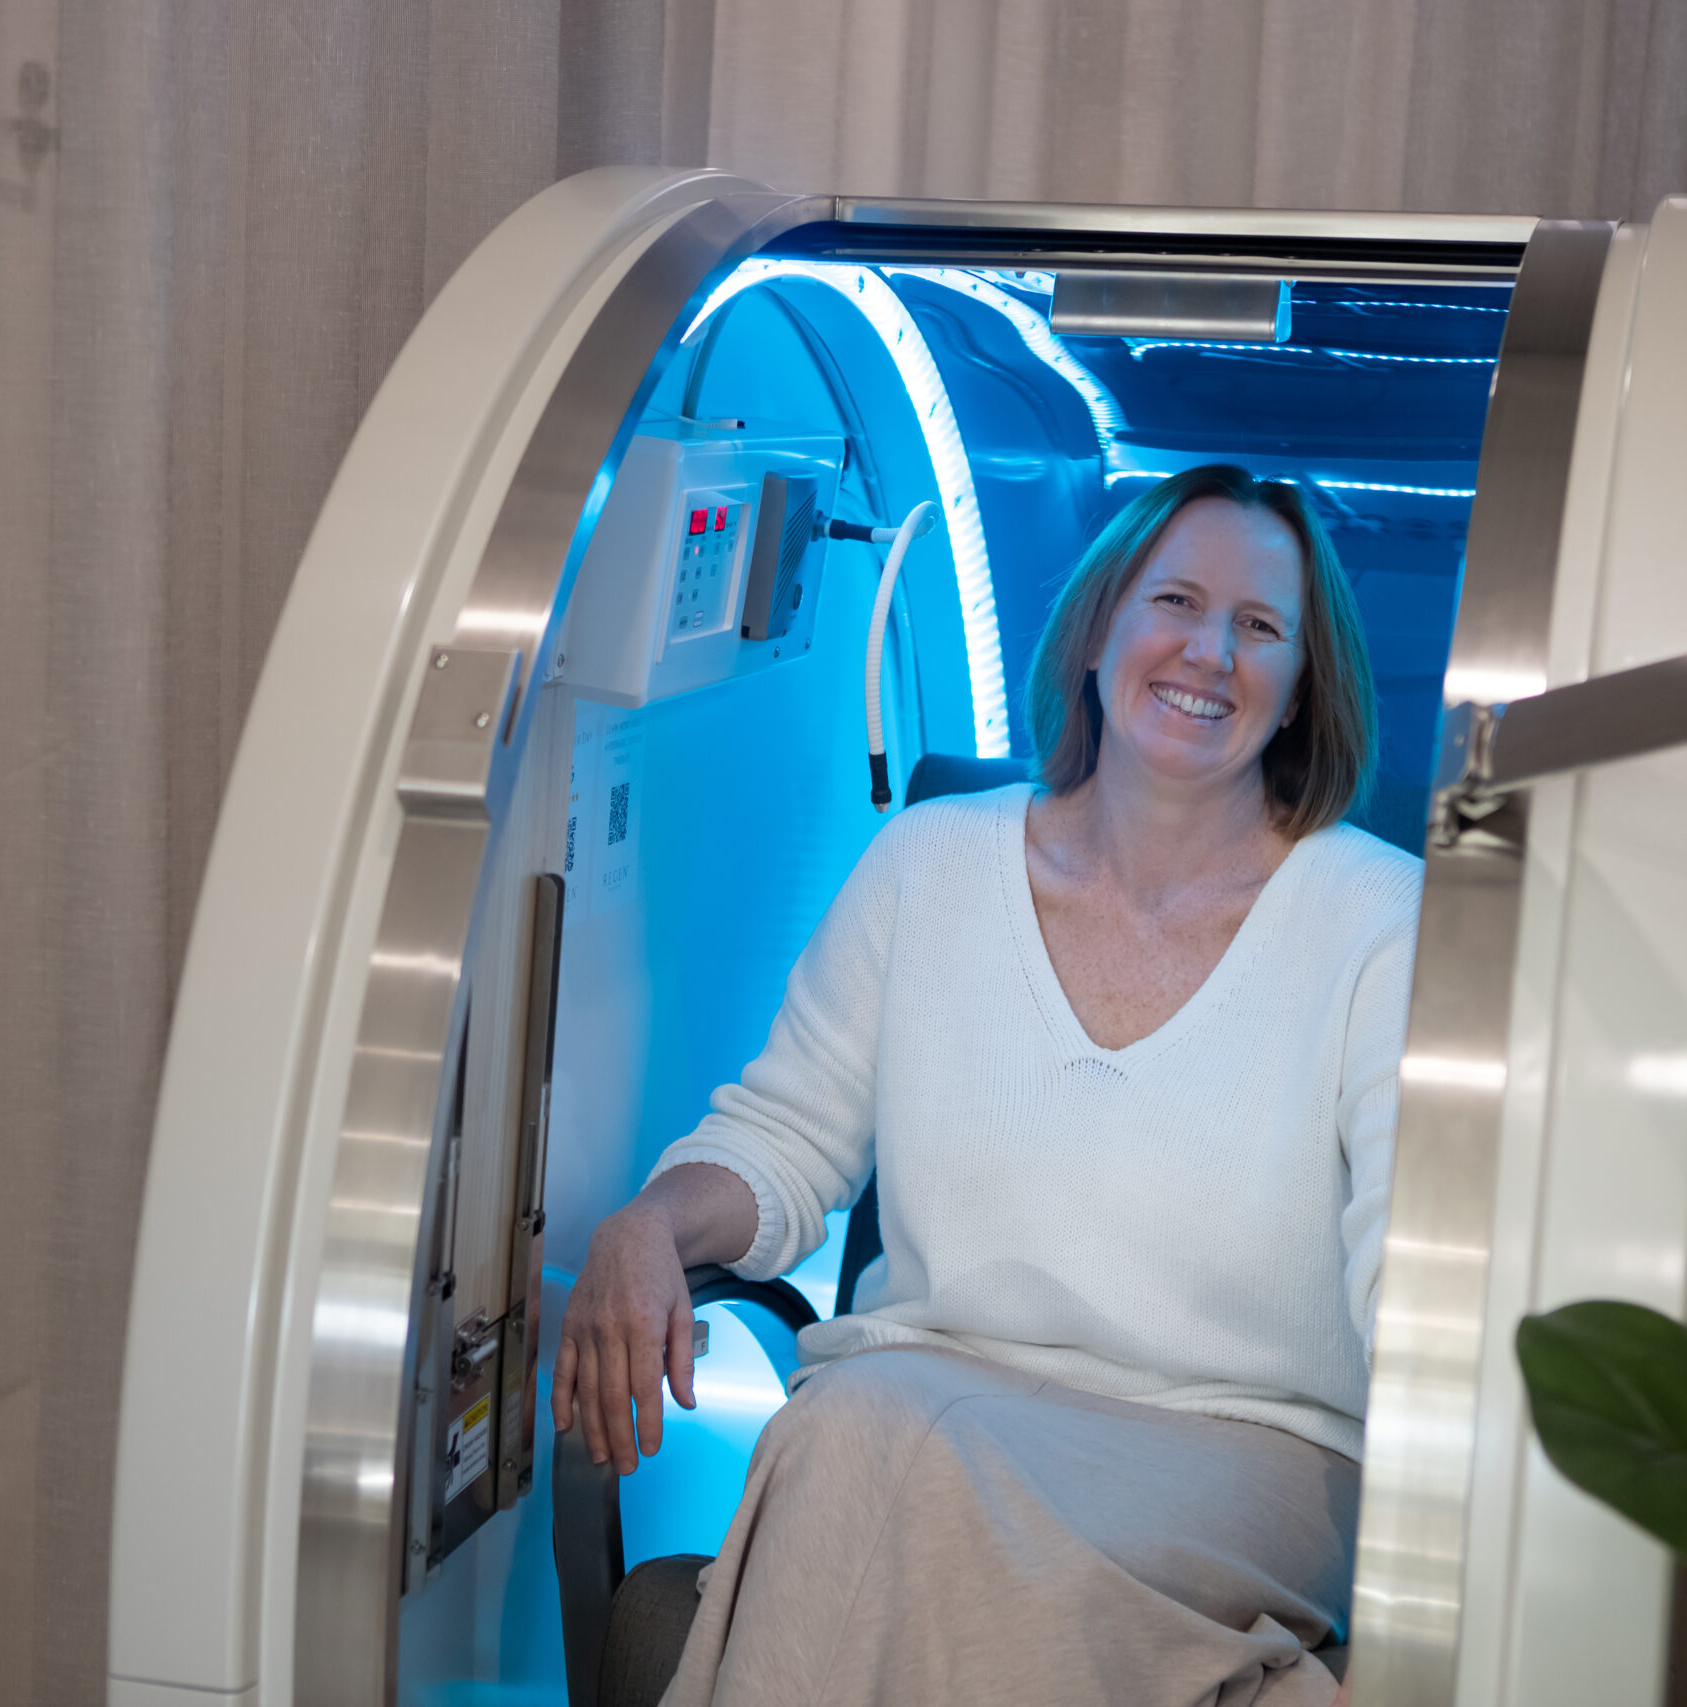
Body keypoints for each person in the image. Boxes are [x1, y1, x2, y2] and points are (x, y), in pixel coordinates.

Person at [553, 463, 1418, 1707]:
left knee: (888, 1464)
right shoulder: (927, 866)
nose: (1209, 651)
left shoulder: (1381, 923)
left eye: (1261, 627)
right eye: (1173, 600)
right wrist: (647, 1222)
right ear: (1098, 632)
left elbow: (1414, 1282)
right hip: (924, 1403)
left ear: (1299, 692)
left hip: (1247, 1452)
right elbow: (782, 1140)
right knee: (858, 1435)